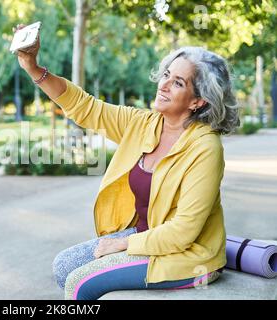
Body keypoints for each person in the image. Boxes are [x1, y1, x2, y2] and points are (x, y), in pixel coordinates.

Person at [13, 24, 240, 300]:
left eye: (178, 83)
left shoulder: (205, 147)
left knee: (79, 284)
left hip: (187, 254)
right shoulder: (144, 123)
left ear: (198, 102)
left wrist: (122, 243)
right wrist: (33, 67)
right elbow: (85, 107)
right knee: (63, 265)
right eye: (166, 75)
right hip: (145, 234)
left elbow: (183, 232)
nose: (164, 85)